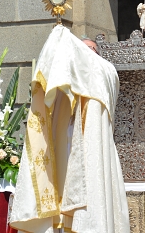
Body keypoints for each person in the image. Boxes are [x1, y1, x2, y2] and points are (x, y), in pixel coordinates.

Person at [10, 25, 130, 233]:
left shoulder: (105, 71)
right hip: (62, 151)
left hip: (89, 156)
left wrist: (65, 38)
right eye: (80, 50)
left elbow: (88, 69)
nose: (84, 55)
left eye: (90, 50)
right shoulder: (65, 83)